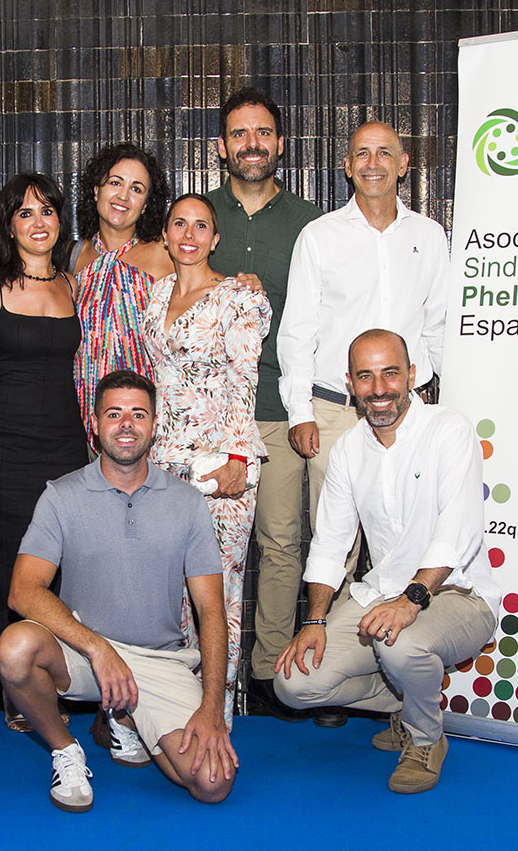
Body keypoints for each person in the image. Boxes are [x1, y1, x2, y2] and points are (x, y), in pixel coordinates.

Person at [0, 370, 237, 813]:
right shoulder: (61, 495)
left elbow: (211, 611)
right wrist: (98, 648)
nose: (126, 424)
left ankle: (122, 716)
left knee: (212, 783)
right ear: (95, 423)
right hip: (86, 656)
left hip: (160, 661)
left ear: (154, 424)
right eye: (114, 413)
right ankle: (66, 750)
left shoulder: (187, 502)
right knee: (15, 648)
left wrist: (212, 708)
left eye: (138, 414)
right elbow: (23, 591)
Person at [274, 329, 501, 793]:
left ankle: (425, 738)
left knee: (401, 644)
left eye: (390, 373)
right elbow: (330, 542)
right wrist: (314, 620)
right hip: (381, 594)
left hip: (458, 595)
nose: (379, 389)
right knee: (293, 684)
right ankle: (407, 701)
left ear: (412, 376)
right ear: (350, 383)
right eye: (366, 376)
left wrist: (411, 600)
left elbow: (457, 530)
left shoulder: (448, 429)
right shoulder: (348, 449)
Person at [276, 121, 449, 715]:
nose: (373, 163)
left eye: (385, 153)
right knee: (339, 542)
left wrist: (444, 406)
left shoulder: (429, 235)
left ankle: (404, 662)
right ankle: (337, 659)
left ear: (404, 164)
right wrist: (300, 411)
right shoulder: (320, 236)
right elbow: (297, 330)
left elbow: (440, 325)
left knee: (410, 535)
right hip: (336, 409)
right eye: (361, 154)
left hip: (409, 408)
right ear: (346, 166)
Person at [205, 87, 322, 721]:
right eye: (239, 134)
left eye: (263, 133)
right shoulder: (197, 217)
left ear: (280, 142)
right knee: (200, 548)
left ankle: (271, 676)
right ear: (222, 147)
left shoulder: (312, 223)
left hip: (278, 406)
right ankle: (198, 670)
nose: (252, 144)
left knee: (280, 543)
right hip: (209, 416)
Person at [143, 194, 271, 727]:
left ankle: (216, 714)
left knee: (218, 594)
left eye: (201, 226)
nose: (190, 234)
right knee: (169, 591)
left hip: (222, 464)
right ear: (166, 236)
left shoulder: (238, 298)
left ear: (215, 240)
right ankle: (173, 709)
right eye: (180, 224)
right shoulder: (156, 294)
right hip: (163, 462)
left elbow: (246, 380)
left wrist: (239, 456)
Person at [0, 173, 90, 730]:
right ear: (8, 225)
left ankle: (52, 675)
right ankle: (13, 683)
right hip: (7, 448)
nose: (38, 222)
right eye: (25, 213)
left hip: (66, 446)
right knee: (8, 559)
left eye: (47, 211)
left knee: (60, 565)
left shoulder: (72, 283)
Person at [71, 143, 173, 435]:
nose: (124, 196)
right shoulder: (74, 256)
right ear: (96, 190)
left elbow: (207, 291)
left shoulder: (164, 254)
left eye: (136, 189)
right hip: (86, 418)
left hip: (146, 422)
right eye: (115, 183)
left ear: (146, 205)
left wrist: (243, 284)